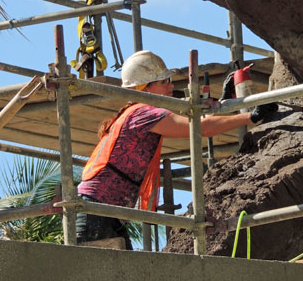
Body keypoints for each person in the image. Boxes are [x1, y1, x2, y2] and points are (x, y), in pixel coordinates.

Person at [75, 50, 277, 248]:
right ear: (145, 88)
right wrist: (251, 117)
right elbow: (199, 127)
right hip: (97, 212)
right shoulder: (143, 114)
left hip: (104, 211)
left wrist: (223, 104)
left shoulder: (134, 113)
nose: (171, 85)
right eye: (164, 82)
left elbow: (198, 121)